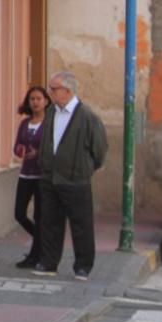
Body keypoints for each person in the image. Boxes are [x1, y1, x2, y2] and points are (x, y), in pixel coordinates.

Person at [31, 71, 108, 280]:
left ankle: (83, 265)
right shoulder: (51, 114)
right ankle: (48, 263)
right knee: (50, 222)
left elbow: (99, 150)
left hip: (76, 180)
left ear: (67, 91)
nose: (50, 92)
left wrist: (84, 169)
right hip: (50, 178)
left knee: (81, 225)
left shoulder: (88, 117)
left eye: (53, 89)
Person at [12, 86, 49, 269]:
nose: (35, 102)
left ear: (46, 101)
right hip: (26, 174)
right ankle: (43, 242)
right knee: (19, 213)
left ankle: (35, 256)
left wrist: (39, 153)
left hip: (42, 176)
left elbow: (53, 148)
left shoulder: (49, 124)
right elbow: (17, 146)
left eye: (38, 99)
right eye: (32, 99)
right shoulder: (25, 124)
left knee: (40, 215)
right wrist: (21, 150)